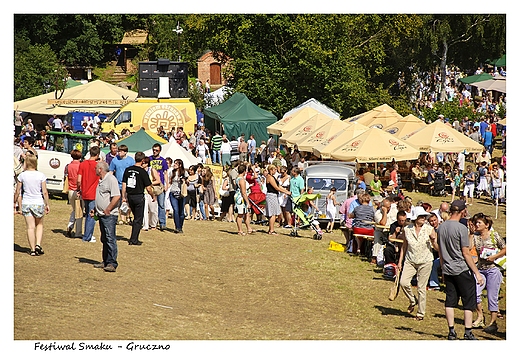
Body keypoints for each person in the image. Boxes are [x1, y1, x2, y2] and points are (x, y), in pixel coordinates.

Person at [436, 200, 485, 340]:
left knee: (450, 300)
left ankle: (451, 331)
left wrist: (443, 268)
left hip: (448, 269)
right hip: (461, 269)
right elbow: (466, 253)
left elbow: (440, 251)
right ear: (463, 211)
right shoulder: (461, 228)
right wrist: (477, 273)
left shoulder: (441, 227)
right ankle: (468, 331)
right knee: (468, 302)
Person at [398, 206, 438, 321]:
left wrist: (434, 240)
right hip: (410, 260)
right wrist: (400, 261)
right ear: (415, 218)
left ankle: (420, 313)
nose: (423, 218)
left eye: (424, 216)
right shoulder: (407, 229)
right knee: (403, 282)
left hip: (425, 261)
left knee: (421, 288)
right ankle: (412, 300)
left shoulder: (429, 229)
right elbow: (404, 246)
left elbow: (436, 249)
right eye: (421, 216)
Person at [470, 213, 506, 334]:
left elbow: (505, 248)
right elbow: (469, 247)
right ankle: (480, 317)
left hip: (493, 269)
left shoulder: (493, 235)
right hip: (480, 269)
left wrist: (495, 256)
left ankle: (493, 322)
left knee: (492, 296)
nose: (477, 224)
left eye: (479, 223)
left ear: (487, 225)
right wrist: (470, 233)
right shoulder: (475, 236)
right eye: (476, 223)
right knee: (475, 292)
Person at [13, 154, 50, 256]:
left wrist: (14, 202)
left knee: (30, 227)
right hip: (38, 202)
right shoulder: (41, 175)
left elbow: (17, 191)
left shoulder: (22, 175)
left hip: (26, 202)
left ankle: (32, 249)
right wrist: (47, 204)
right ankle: (38, 244)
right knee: (39, 225)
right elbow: (45, 192)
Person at [92, 161, 121, 272]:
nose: (94, 170)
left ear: (100, 169)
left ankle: (112, 263)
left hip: (109, 215)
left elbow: (116, 196)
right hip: (101, 214)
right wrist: (95, 210)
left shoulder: (111, 179)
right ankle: (105, 261)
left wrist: (108, 208)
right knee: (104, 239)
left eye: (96, 168)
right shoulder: (101, 180)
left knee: (110, 238)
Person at [122, 152, 155, 245]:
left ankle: (133, 237)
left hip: (130, 196)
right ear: (143, 160)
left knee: (136, 217)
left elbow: (124, 185)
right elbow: (148, 188)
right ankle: (134, 239)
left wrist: (124, 196)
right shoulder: (143, 172)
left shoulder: (128, 170)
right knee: (138, 219)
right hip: (138, 196)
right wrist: (153, 195)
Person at [77, 145, 102, 243]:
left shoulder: (82, 164)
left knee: (88, 214)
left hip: (85, 192)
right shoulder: (98, 166)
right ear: (97, 155)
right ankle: (88, 236)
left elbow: (79, 180)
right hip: (94, 193)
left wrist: (79, 189)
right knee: (92, 215)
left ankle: (88, 234)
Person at [265, 164, 291, 235]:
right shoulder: (269, 177)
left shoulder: (273, 177)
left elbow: (279, 186)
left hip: (274, 195)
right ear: (271, 170)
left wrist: (287, 192)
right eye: (275, 170)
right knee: (272, 214)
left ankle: (271, 229)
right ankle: (271, 230)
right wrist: (285, 192)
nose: (276, 171)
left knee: (274, 213)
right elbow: (276, 187)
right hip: (271, 196)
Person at [149, 143, 169, 231]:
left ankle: (162, 223)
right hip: (151, 184)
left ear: (160, 151)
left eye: (156, 150)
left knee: (161, 205)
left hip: (160, 185)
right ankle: (151, 222)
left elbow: (165, 173)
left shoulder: (163, 160)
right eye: (153, 150)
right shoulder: (149, 159)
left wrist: (166, 184)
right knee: (151, 205)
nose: (154, 151)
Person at [65, 149, 83, 238]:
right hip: (78, 190)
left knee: (74, 210)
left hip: (70, 190)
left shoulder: (68, 166)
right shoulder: (81, 165)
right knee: (79, 212)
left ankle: (70, 225)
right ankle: (78, 232)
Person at [169, 159, 188, 233]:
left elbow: (188, 182)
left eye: (176, 163)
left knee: (181, 212)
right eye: (174, 163)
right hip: (173, 193)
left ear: (180, 165)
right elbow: (170, 182)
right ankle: (177, 227)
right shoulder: (172, 172)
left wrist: (184, 181)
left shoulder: (184, 173)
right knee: (176, 210)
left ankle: (180, 226)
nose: (174, 165)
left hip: (182, 194)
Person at [234, 164, 254, 235]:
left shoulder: (238, 178)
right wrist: (247, 202)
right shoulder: (241, 180)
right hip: (241, 198)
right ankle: (240, 230)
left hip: (240, 196)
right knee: (240, 214)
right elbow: (243, 192)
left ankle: (249, 228)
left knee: (246, 213)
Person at [141, 157, 159, 231]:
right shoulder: (141, 171)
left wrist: (149, 184)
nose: (142, 164)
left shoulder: (152, 170)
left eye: (144, 163)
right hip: (143, 192)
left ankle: (153, 224)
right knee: (144, 210)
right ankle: (145, 225)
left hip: (151, 192)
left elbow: (158, 180)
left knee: (152, 210)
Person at [426, 213, 441, 291]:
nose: (433, 222)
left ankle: (434, 284)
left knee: (433, 264)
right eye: (431, 221)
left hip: (441, 254)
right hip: (431, 251)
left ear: (437, 219)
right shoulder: (428, 230)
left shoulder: (442, 229)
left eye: (435, 220)